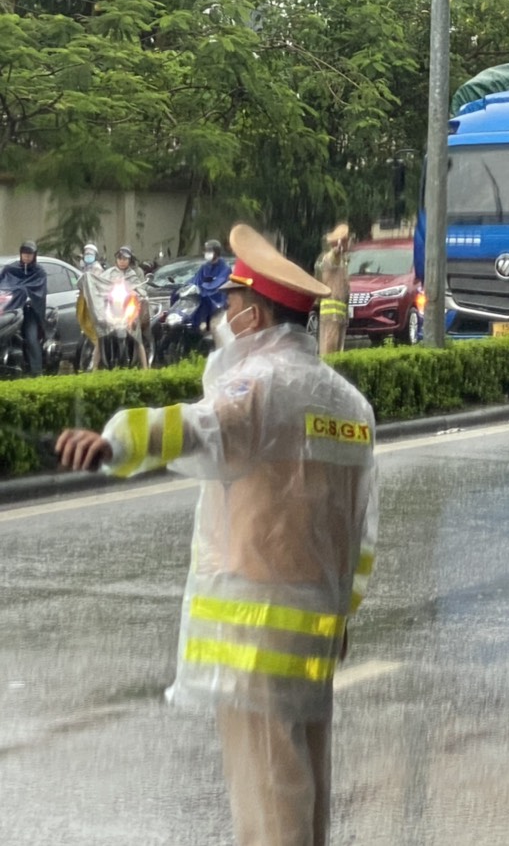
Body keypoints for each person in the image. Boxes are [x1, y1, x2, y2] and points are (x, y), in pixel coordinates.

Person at [56, 223, 378, 846]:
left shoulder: (260, 387)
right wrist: (340, 618)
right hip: (312, 637)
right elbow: (362, 534)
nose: (223, 313)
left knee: (269, 807)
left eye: (231, 302)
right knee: (304, 795)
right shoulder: (348, 405)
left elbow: (199, 428)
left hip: (252, 640)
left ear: (254, 315)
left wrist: (113, 442)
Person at [0, 240, 47, 375]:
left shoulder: (39, 272)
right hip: (8, 311)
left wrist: (26, 295)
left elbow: (39, 293)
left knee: (31, 339)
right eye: (24, 254)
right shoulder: (10, 269)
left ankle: (37, 372)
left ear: (34, 255)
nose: (26, 256)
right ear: (20, 254)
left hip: (29, 312)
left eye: (29, 254)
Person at [314, 223, 351, 356]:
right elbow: (334, 255)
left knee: (337, 353)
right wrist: (338, 247)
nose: (349, 243)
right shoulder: (330, 258)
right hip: (331, 315)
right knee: (328, 353)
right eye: (346, 240)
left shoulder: (342, 261)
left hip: (339, 316)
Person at [190, 238, 233, 311]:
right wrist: (188, 287)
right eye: (205, 251)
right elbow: (195, 281)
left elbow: (216, 286)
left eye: (209, 251)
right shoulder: (204, 267)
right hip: (202, 305)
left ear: (216, 252)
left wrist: (203, 286)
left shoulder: (225, 269)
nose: (206, 253)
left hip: (219, 307)